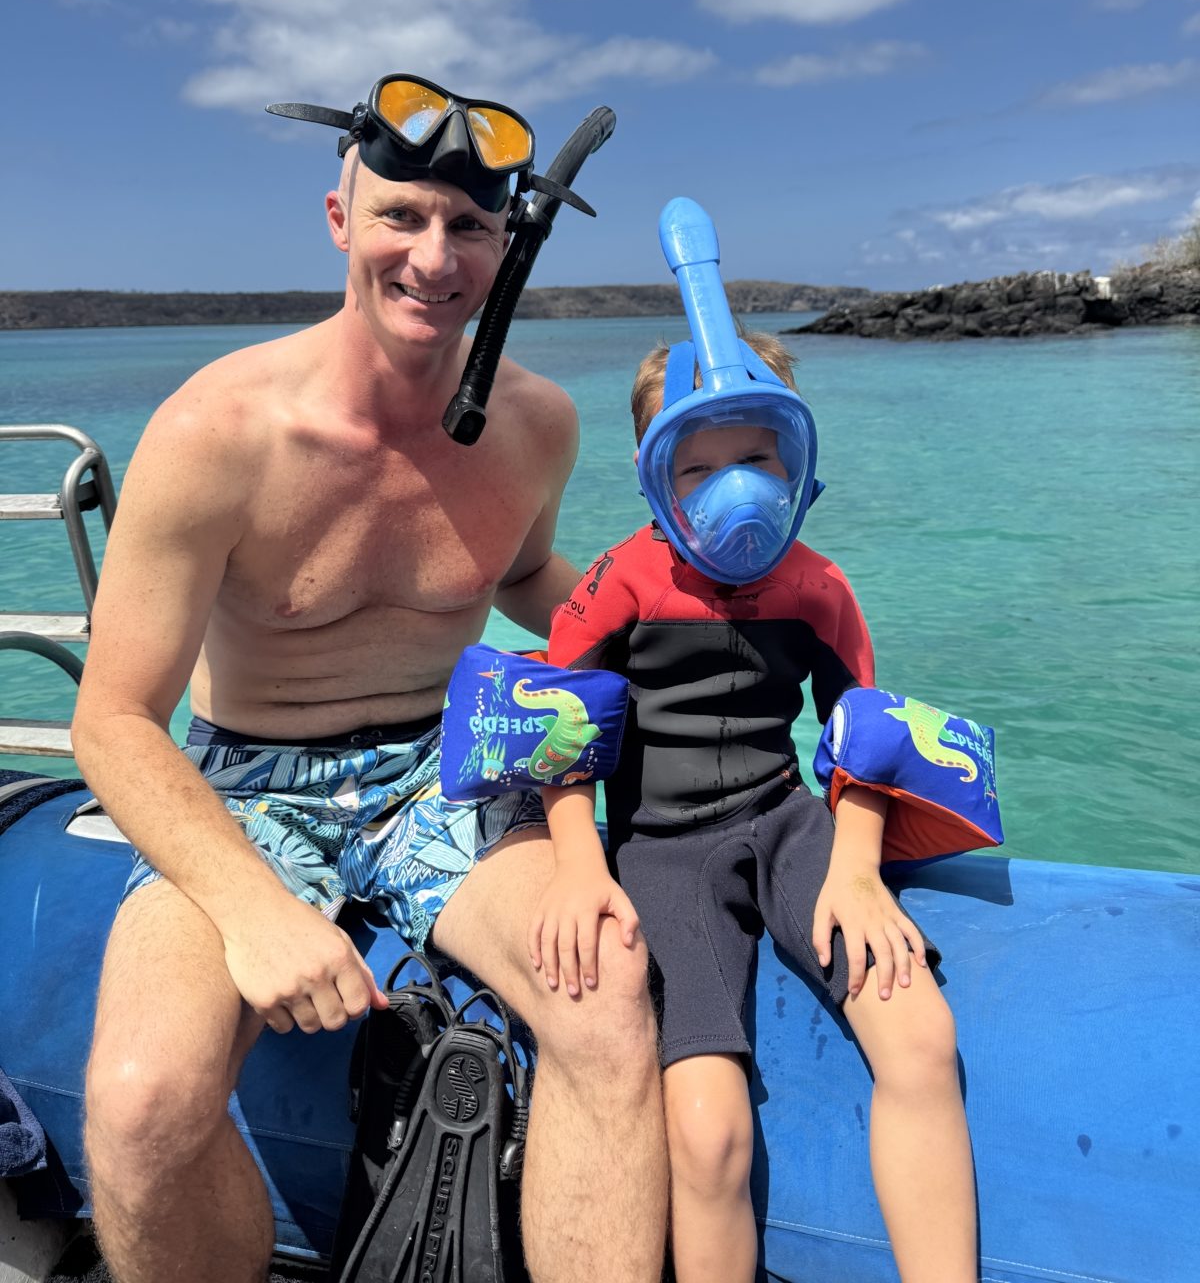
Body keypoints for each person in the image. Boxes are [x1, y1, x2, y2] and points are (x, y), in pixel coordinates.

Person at [71, 73, 667, 1283]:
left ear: (509, 246)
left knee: (605, 1008)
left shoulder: (537, 423)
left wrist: (678, 640)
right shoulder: (215, 433)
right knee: (140, 1104)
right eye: (401, 215)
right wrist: (250, 908)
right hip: (248, 788)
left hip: (448, 764)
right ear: (341, 218)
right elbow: (115, 718)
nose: (434, 257)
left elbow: (532, 573)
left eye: (471, 228)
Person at [536, 290, 978, 1281]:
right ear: (655, 478)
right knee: (707, 1130)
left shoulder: (819, 586)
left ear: (797, 463)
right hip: (661, 850)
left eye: (756, 459)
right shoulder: (617, 583)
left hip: (788, 824)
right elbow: (557, 731)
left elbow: (862, 735)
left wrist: (856, 870)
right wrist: (575, 864)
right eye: (697, 466)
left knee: (920, 1034)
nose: (732, 489)